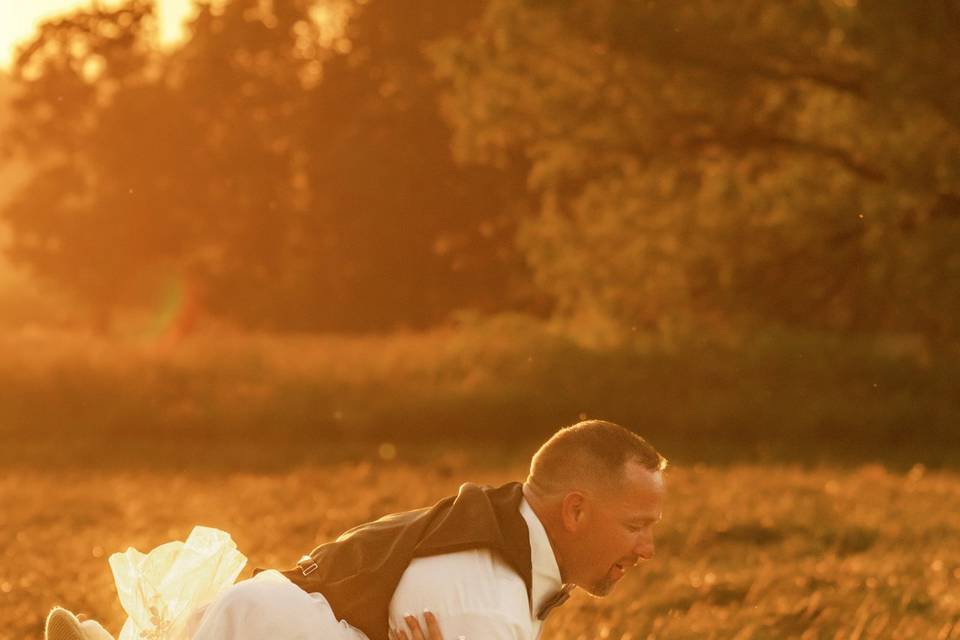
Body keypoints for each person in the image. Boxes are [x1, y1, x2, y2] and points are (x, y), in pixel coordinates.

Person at [45, 419, 667, 640]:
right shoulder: (486, 606)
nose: (647, 549)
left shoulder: (504, 522)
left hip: (258, 611)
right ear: (576, 511)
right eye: (635, 526)